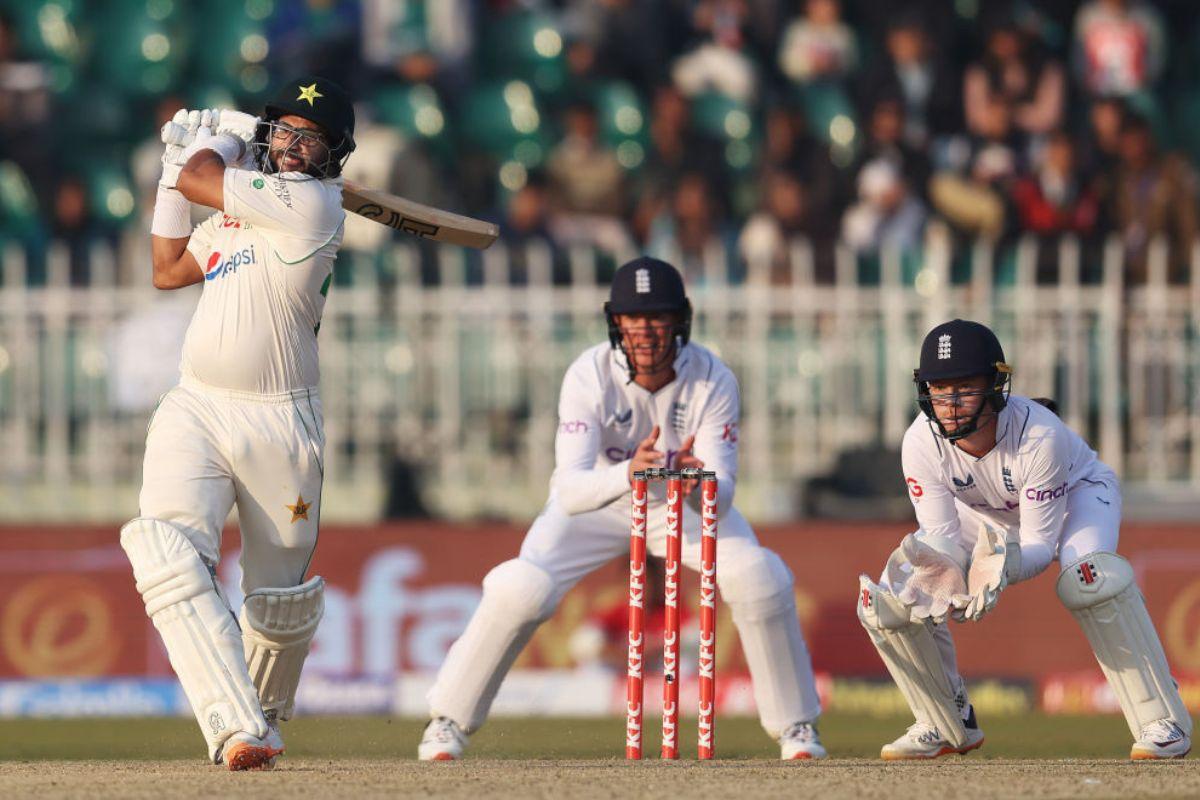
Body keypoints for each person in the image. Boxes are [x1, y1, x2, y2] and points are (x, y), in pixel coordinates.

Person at [419, 256, 826, 761]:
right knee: (521, 587)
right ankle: (448, 722)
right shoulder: (588, 374)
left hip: (682, 502)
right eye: (635, 319)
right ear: (616, 323)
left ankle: (797, 728)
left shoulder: (712, 378)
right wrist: (627, 473)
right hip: (600, 504)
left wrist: (699, 484)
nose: (647, 331)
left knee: (759, 576)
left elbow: (724, 494)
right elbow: (569, 490)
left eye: (658, 318)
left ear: (681, 320)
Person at [119, 76, 355, 770]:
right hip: (197, 404)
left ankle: (261, 718)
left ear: (331, 156)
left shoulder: (312, 205)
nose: (290, 144)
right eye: (281, 129)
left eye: (308, 137)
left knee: (278, 607)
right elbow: (166, 268)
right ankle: (233, 725)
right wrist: (171, 170)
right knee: (162, 548)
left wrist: (209, 139)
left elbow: (203, 175)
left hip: (282, 424)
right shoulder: (238, 213)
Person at [858, 319, 1191, 761]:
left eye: (964, 389)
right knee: (900, 593)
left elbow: (1038, 544)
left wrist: (1001, 568)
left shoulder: (1040, 436)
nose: (950, 405)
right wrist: (944, 577)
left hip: (1077, 496)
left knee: (1090, 579)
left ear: (995, 386)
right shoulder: (919, 441)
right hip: (984, 513)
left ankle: (1161, 719)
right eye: (939, 390)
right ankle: (944, 720)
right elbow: (941, 539)